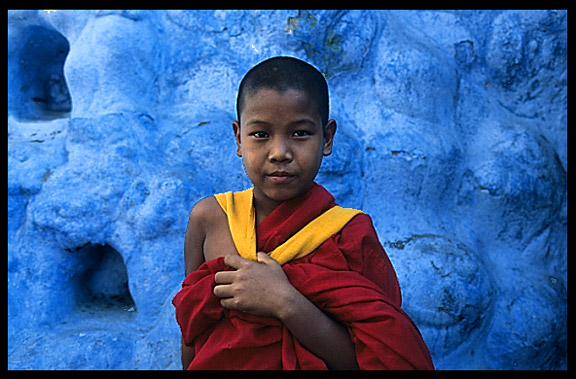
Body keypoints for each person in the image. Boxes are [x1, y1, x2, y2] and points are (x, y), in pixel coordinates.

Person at [172, 56, 434, 370]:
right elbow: (192, 326)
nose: (279, 152)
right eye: (260, 134)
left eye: (299, 134)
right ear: (238, 137)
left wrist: (285, 302)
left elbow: (373, 358)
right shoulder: (209, 218)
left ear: (327, 138)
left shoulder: (349, 234)